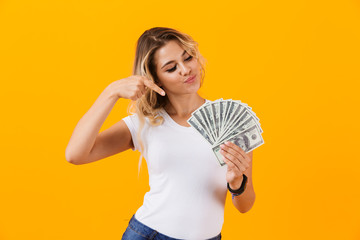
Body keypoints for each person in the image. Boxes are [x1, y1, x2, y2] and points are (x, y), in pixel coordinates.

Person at [65, 27, 256, 240]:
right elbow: (75, 154)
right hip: (150, 234)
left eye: (188, 58)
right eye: (171, 68)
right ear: (156, 80)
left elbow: (245, 205)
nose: (185, 70)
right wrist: (110, 92)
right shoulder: (146, 123)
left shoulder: (232, 121)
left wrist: (237, 181)